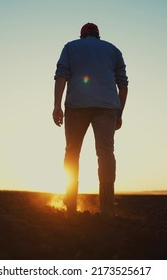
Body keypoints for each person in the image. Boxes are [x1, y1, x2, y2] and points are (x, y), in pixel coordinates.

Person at [52, 23, 128, 219]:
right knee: (106, 153)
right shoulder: (113, 50)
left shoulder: (70, 47)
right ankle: (108, 210)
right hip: (107, 106)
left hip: (77, 105)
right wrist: (119, 112)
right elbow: (123, 84)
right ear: (98, 36)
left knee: (72, 151)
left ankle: (70, 208)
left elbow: (61, 76)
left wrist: (57, 105)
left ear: (82, 35)